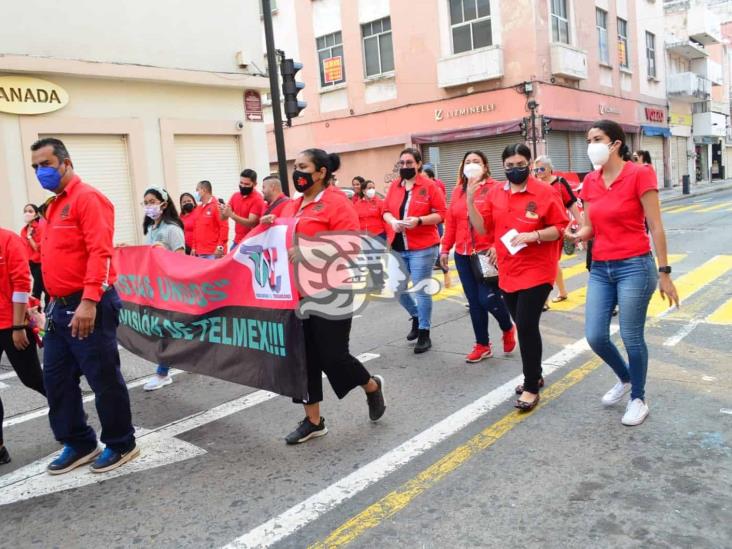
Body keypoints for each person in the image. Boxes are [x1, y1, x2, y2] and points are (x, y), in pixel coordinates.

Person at [31, 137, 137, 473]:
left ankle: (122, 443)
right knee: (56, 379)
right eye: (35, 166)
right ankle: (79, 442)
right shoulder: (52, 206)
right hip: (59, 309)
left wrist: (90, 301)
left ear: (65, 161)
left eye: (45, 164)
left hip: (89, 304)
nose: (40, 171)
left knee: (103, 377)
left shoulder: (88, 199)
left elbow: (100, 253)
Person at [278, 149, 386, 444]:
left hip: (332, 291)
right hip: (296, 295)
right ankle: (313, 421)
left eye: (303, 167)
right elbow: (279, 234)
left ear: (320, 172)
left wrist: (310, 251)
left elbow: (352, 245)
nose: (297, 172)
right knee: (305, 359)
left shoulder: (336, 202)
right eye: (295, 167)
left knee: (333, 356)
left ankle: (371, 386)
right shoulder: (293, 205)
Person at [576, 120, 679, 426]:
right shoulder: (590, 182)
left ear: (615, 143)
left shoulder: (639, 173)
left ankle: (639, 398)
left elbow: (656, 226)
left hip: (635, 265)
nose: (591, 144)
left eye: (597, 138)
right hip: (600, 267)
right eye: (589, 139)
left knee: (631, 335)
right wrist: (576, 235)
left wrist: (664, 271)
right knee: (595, 336)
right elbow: (590, 227)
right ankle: (625, 379)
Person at [468, 143, 568, 411]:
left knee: (525, 324)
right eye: (509, 166)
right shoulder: (496, 193)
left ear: (530, 163)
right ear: (503, 167)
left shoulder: (545, 191)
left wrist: (534, 235)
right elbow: (482, 227)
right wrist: (469, 199)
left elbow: (559, 228)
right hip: (508, 269)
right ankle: (534, 373)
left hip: (538, 268)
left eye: (520, 165)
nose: (515, 170)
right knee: (522, 324)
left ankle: (531, 386)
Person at [440, 150, 516, 363]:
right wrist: (445, 248)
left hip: (486, 253)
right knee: (474, 302)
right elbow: (451, 223)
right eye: (468, 162)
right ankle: (482, 344)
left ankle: (507, 326)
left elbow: (505, 221)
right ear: (463, 167)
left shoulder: (496, 188)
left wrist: (496, 245)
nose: (472, 164)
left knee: (487, 298)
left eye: (476, 161)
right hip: (463, 255)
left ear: (485, 166)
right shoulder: (458, 191)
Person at [383, 148, 447, 354]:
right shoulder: (394, 186)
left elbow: (441, 214)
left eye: (409, 163)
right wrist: (393, 221)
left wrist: (419, 221)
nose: (405, 167)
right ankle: (417, 316)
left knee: (421, 289)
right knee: (396, 288)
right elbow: (384, 211)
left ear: (418, 164)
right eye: (402, 163)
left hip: (422, 247)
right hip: (398, 247)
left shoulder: (429, 186)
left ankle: (424, 332)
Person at [0, 227, 47, 465]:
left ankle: (70, 416)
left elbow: (20, 283)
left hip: (12, 323)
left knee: (32, 378)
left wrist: (18, 327)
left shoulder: (9, 240)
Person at [140, 187, 186, 391]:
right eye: (146, 202)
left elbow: (181, 259)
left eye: (152, 201)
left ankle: (162, 373)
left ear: (164, 204)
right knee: (165, 329)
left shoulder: (172, 229)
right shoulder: (151, 229)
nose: (149, 206)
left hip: (170, 288)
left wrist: (163, 252)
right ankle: (192, 356)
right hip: (156, 287)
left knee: (165, 330)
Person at [533, 155, 584, 308]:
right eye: (536, 169)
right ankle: (562, 292)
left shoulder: (560, 183)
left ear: (549, 168)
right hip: (541, 229)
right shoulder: (535, 185)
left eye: (541, 168)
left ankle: (544, 300)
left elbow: (572, 204)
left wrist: (581, 226)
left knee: (548, 262)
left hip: (558, 228)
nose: (539, 172)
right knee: (551, 262)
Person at [222, 169, 266, 248]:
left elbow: (251, 222)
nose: (242, 186)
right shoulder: (235, 196)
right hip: (237, 241)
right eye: (241, 183)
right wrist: (222, 210)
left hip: (251, 242)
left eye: (246, 184)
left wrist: (232, 215)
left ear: (255, 184)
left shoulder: (257, 199)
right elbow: (223, 218)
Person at [20, 203, 48, 306]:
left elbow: (38, 248)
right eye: (25, 211)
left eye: (30, 211)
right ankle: (45, 313)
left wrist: (29, 237)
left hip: (41, 263)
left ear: (36, 214)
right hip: (31, 263)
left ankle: (35, 311)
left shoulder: (41, 226)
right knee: (45, 289)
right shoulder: (24, 230)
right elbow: (23, 249)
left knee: (36, 291)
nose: (27, 213)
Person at [191, 180, 228, 259]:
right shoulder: (198, 209)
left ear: (204, 190)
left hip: (214, 252)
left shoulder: (217, 206)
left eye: (197, 190)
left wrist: (220, 247)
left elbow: (224, 227)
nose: (195, 193)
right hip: (200, 252)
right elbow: (195, 229)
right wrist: (194, 247)